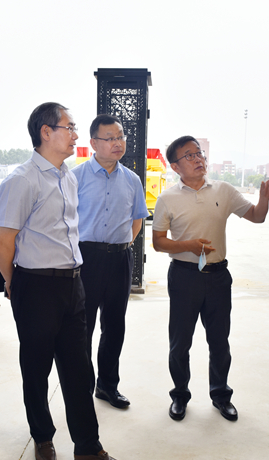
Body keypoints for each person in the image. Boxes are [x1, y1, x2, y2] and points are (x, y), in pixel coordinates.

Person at [0, 102, 127, 460]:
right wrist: (12, 282)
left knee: (79, 369)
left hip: (73, 282)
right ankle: (43, 436)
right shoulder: (23, 179)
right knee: (36, 368)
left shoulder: (67, 176)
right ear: (46, 132)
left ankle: (88, 446)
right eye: (69, 127)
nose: (75, 135)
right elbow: (2, 241)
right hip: (36, 285)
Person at [152, 135, 269, 422]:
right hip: (184, 277)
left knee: (219, 341)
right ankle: (180, 396)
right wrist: (188, 246)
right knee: (180, 343)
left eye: (199, 153)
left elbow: (257, 216)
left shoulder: (223, 190)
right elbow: (158, 243)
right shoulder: (167, 199)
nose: (198, 159)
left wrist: (264, 198)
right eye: (189, 156)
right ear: (175, 166)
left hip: (218, 277)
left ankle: (221, 395)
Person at [73, 114, 148, 409]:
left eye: (120, 137)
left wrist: (120, 246)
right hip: (85, 259)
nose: (118, 143)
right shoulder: (75, 177)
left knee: (115, 326)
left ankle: (107, 386)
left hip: (119, 259)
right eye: (110, 138)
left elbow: (137, 220)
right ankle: (81, 387)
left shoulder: (132, 179)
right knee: (83, 327)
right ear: (93, 143)